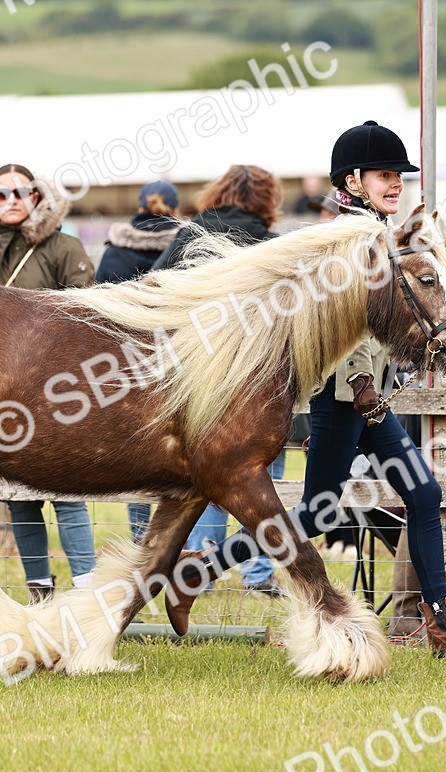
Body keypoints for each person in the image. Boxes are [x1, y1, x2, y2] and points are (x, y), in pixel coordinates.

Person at [165, 122, 446, 657]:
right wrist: (359, 381)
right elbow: (333, 319)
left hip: (369, 400)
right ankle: (199, 570)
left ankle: (443, 619)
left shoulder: (381, 235)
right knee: (318, 513)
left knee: (423, 493)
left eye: (398, 176)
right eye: (384, 175)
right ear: (353, 181)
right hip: (346, 397)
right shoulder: (345, 239)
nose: (396, 184)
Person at [153, 164, 286, 595]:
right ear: (268, 200)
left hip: (195, 381)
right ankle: (258, 574)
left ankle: (202, 564)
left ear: (217, 193)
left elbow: (153, 290)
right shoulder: (272, 246)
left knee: (206, 476)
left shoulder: (190, 236)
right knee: (263, 481)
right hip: (257, 385)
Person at [0, 163, 97, 601]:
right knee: (17, 492)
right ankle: (39, 588)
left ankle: (87, 588)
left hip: (56, 386)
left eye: (20, 192)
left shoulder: (64, 246)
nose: (10, 202)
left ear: (37, 197)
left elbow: (86, 312)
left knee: (67, 488)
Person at [95, 180, 181, 541]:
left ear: (140, 206)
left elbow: (96, 311)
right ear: (175, 208)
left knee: (137, 454)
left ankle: (140, 540)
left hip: (127, 367)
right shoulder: (186, 247)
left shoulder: (114, 252)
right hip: (180, 366)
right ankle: (178, 545)